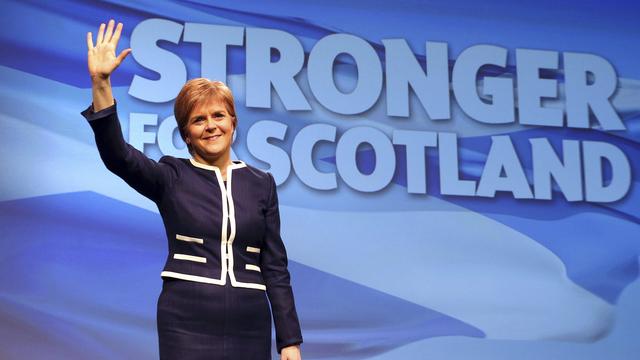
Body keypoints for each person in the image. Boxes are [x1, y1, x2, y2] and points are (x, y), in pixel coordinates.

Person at [82, 19, 303, 360]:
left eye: (219, 116)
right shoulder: (172, 176)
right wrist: (101, 83)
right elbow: (118, 157)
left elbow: (275, 267)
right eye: (199, 120)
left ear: (233, 123)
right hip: (186, 320)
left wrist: (289, 341)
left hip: (250, 322)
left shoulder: (261, 184)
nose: (211, 125)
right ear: (186, 134)